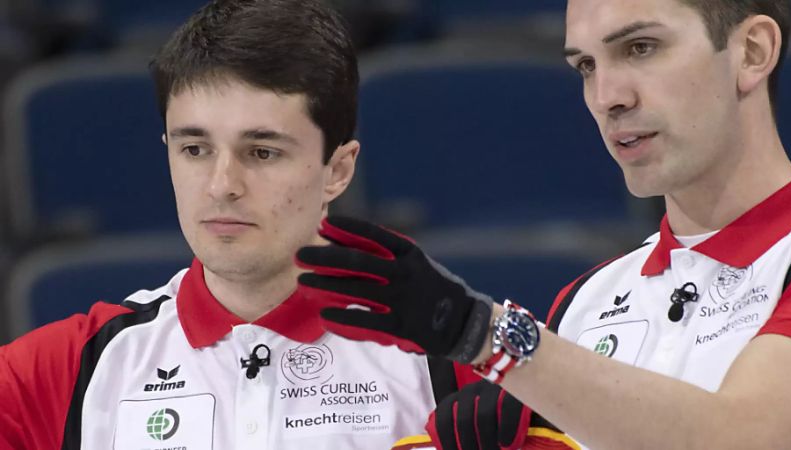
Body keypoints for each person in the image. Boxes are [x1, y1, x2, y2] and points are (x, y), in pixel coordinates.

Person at [295, 0, 791, 448]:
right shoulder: (589, 299)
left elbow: (743, 438)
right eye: (586, 65)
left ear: (751, 52)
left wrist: (480, 333)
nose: (607, 95)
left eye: (640, 48)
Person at [0, 0, 472, 448]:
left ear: (338, 170)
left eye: (262, 152)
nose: (222, 185)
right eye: (195, 149)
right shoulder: (67, 369)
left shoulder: (450, 356)